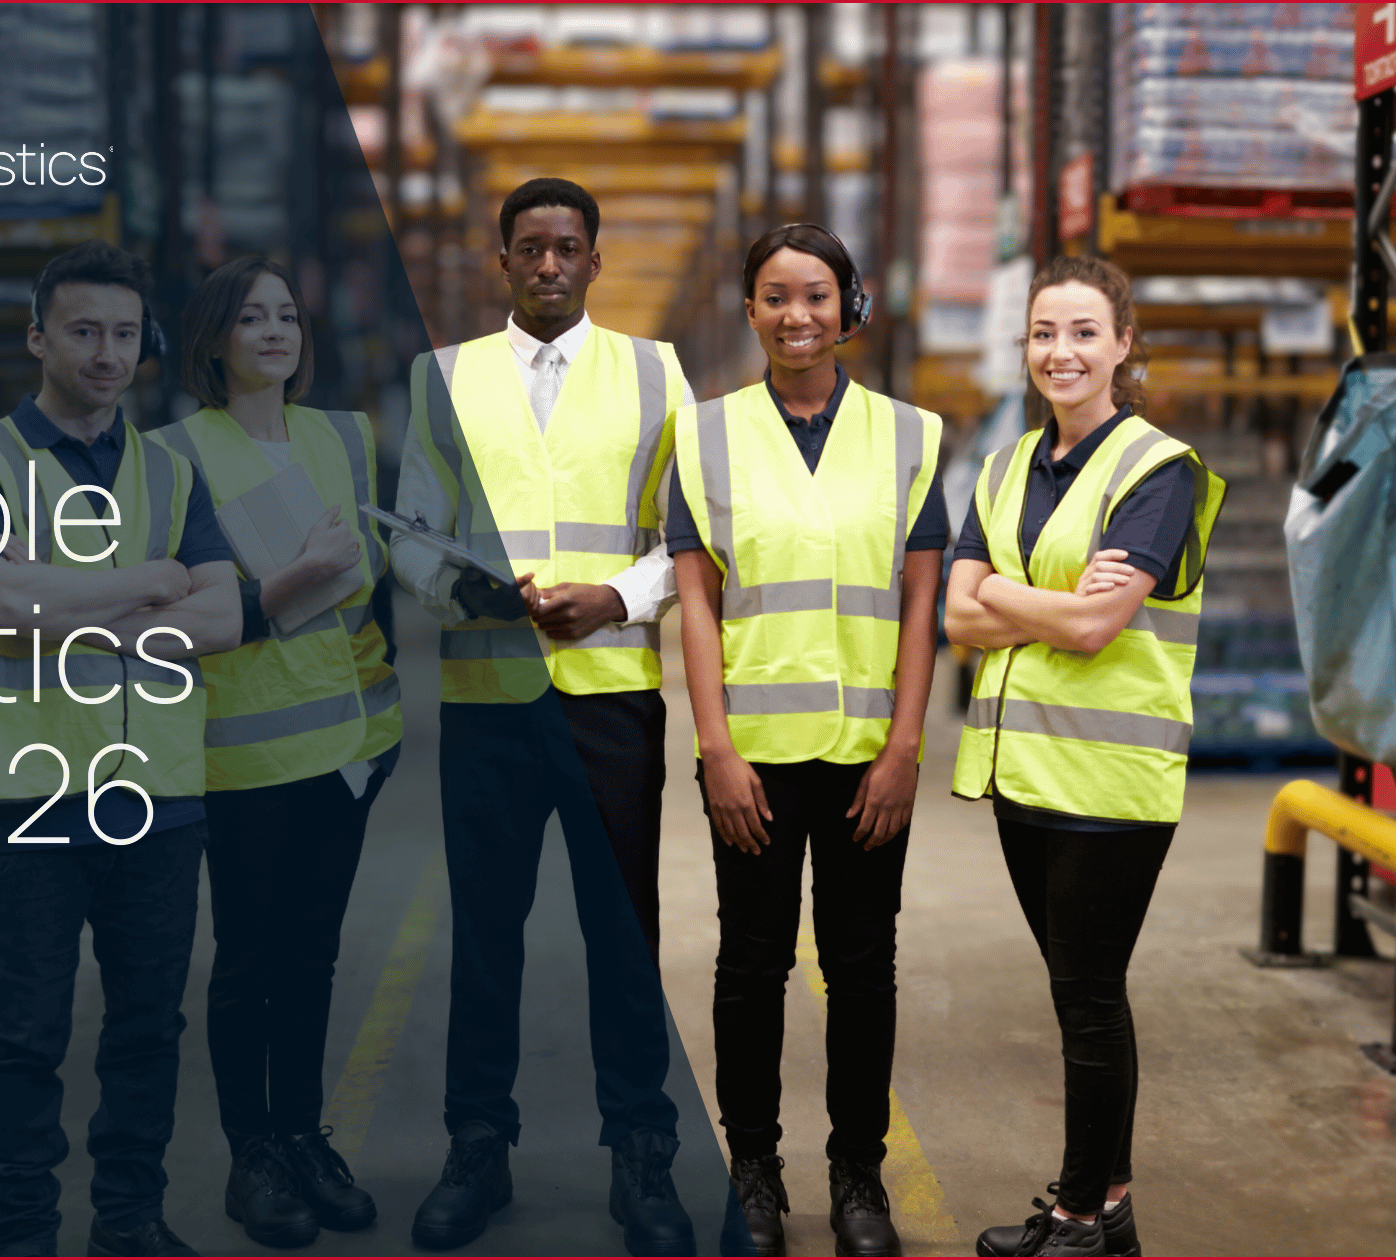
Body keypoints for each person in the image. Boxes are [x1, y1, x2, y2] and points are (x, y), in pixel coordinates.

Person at [393, 176, 698, 1256]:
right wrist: (460, 592)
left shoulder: (656, 373)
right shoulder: (444, 378)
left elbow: (688, 539)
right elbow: (412, 529)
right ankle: (476, 1149)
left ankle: (642, 1156)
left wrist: (615, 597)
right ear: (503, 259)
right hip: (486, 698)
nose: (550, 264)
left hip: (611, 696)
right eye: (531, 247)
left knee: (624, 937)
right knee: (485, 938)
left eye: (569, 247)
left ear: (594, 261)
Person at [0, 240, 242, 1258]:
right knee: (26, 1031)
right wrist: (155, 583)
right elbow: (0, 596)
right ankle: (22, 1234)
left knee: (149, 1026)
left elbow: (226, 616)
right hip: (30, 796)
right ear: (39, 338)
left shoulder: (169, 467)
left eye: (121, 333)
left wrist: (73, 608)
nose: (106, 353)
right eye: (81, 331)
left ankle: (128, 1220)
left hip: (157, 795)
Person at [670, 223, 947, 1259]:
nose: (797, 316)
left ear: (850, 307)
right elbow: (695, 607)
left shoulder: (909, 435)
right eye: (776, 297)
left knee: (861, 965)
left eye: (817, 296)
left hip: (868, 755)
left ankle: (856, 1175)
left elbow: (920, 604)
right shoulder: (703, 437)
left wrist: (905, 748)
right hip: (754, 756)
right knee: (748, 966)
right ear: (748, 311)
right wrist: (715, 750)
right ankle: (751, 1169)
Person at [943, 255, 1223, 1258]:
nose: (1058, 353)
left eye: (1080, 333)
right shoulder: (1004, 465)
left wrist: (1011, 598)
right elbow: (953, 614)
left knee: (1088, 998)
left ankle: (1076, 1214)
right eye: (1041, 334)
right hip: (1023, 777)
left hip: (1110, 783)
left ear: (1121, 346)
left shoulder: (1158, 469)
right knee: (1079, 995)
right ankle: (1106, 1206)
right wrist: (1046, 608)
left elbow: (1097, 627)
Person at [150, 257, 402, 1249]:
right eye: (249, 318)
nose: (274, 331)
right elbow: (196, 610)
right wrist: (305, 572)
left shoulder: (343, 436)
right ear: (212, 341)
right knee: (248, 959)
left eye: (286, 315)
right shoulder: (175, 456)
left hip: (348, 744)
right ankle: (250, 1154)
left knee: (313, 956)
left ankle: (301, 1137)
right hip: (241, 753)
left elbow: (369, 584)